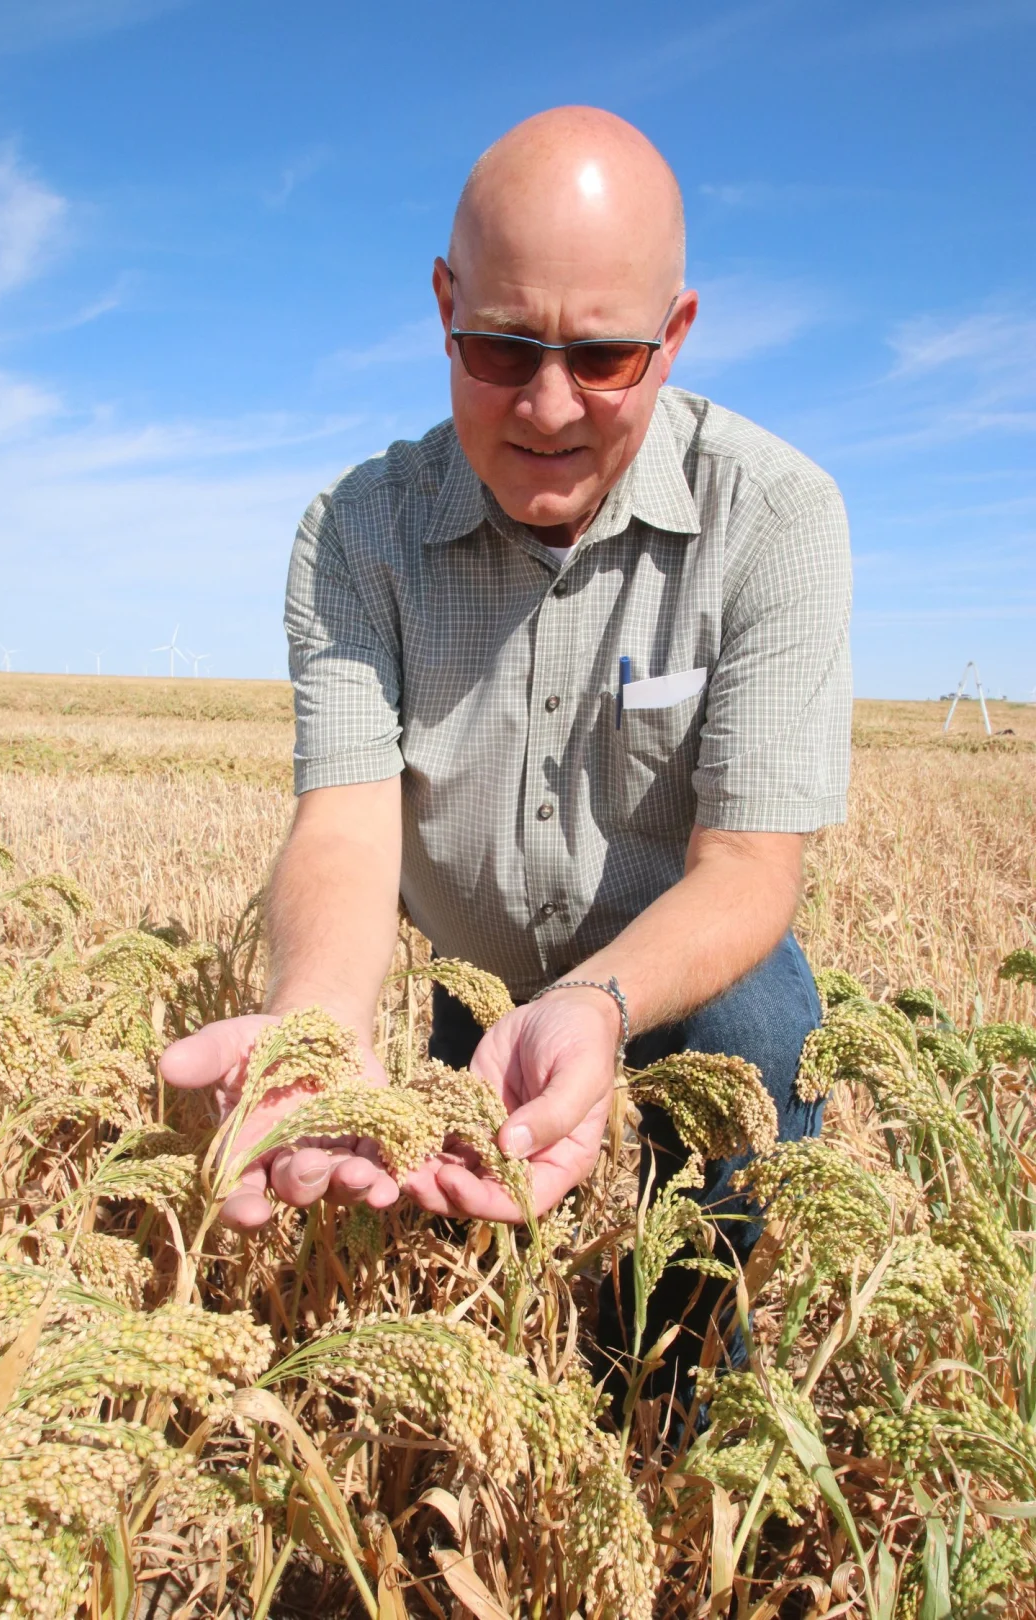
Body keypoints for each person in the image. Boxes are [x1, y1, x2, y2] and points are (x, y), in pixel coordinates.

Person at [160, 105, 850, 1392]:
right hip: (469, 991)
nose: (546, 406)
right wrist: (317, 1024)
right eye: (498, 348)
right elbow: (348, 823)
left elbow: (752, 863)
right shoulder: (356, 534)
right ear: (442, 306)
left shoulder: (777, 518)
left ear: (677, 335)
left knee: (759, 1034)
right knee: (430, 1254)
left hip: (677, 971)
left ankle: (680, 1372)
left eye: (602, 358)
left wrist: (595, 1002)